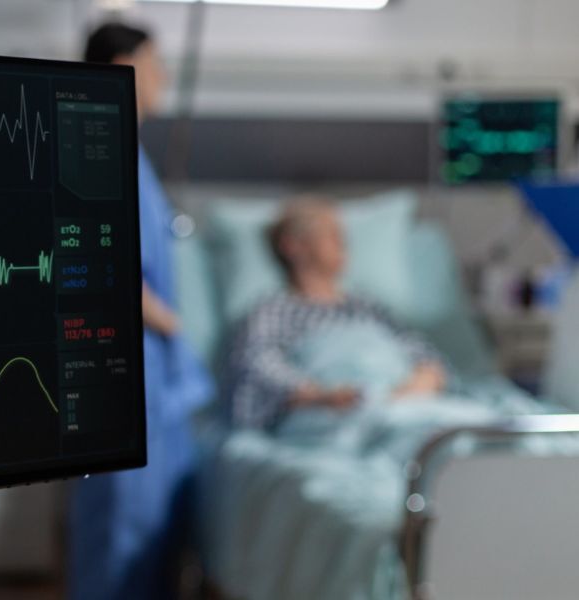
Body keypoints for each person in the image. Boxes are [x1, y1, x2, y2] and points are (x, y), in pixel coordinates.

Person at [68, 22, 213, 600]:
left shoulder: (132, 154)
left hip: (156, 378)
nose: (163, 79)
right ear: (117, 69)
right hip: (123, 367)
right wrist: (169, 320)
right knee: (119, 531)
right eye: (153, 65)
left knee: (155, 533)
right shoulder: (91, 146)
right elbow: (93, 254)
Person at [224, 198, 447, 430]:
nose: (343, 242)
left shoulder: (368, 308)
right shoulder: (272, 311)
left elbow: (423, 355)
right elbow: (256, 367)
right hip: (330, 416)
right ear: (292, 246)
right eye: (331, 234)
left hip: (402, 404)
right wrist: (321, 396)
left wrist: (422, 380)